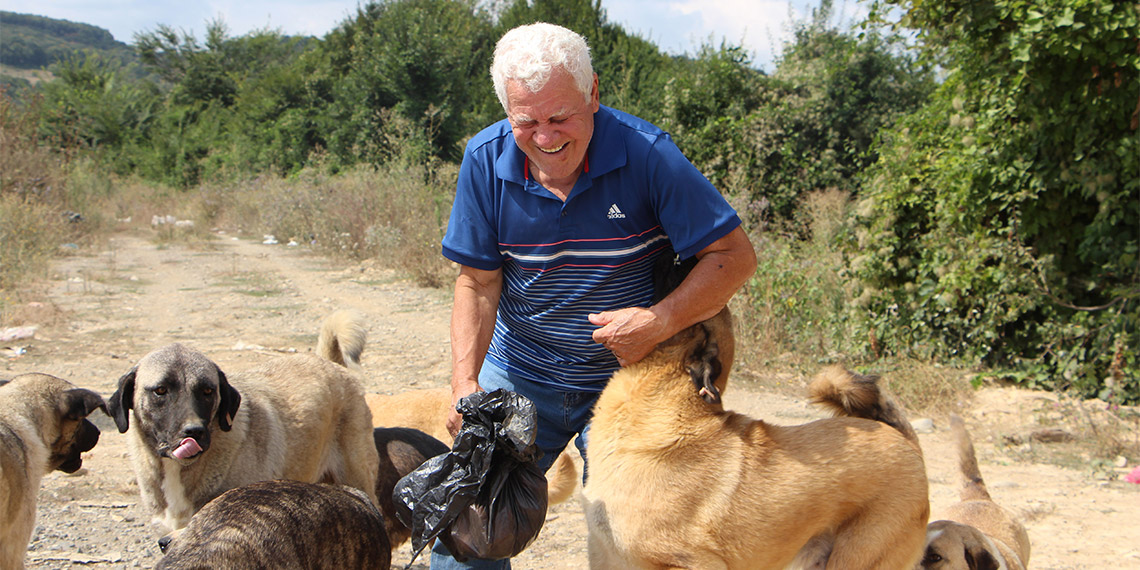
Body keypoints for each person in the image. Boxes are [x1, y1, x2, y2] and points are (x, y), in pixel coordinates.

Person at [434, 22, 758, 569]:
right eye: (526, 121)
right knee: (468, 534)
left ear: (594, 94)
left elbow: (733, 258)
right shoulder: (484, 160)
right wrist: (465, 385)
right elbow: (478, 281)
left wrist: (658, 321)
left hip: (631, 380)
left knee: (645, 535)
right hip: (522, 371)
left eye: (560, 117)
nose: (545, 137)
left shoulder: (647, 154)